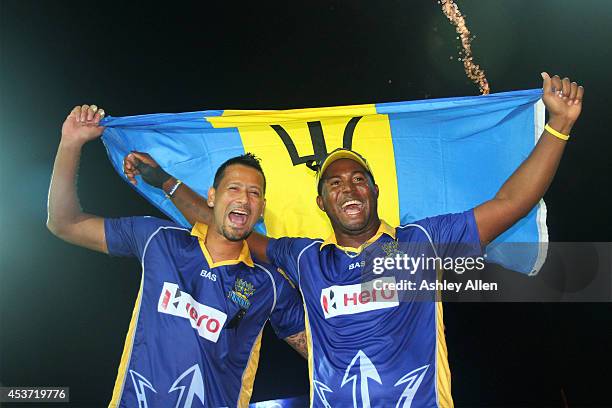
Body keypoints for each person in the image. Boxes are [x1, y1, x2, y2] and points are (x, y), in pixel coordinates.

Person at [124, 73, 583, 407]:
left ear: (375, 190)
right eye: (335, 183)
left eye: (359, 178)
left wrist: (557, 127)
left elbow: (510, 203)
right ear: (322, 203)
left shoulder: (420, 242)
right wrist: (163, 179)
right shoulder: (303, 256)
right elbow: (226, 222)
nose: (349, 187)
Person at [47, 104, 307, 408]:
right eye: (233, 188)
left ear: (261, 208)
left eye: (254, 193)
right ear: (212, 197)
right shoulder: (158, 239)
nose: (244, 199)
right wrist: (70, 143)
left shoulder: (271, 286)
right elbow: (65, 223)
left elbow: (325, 352)